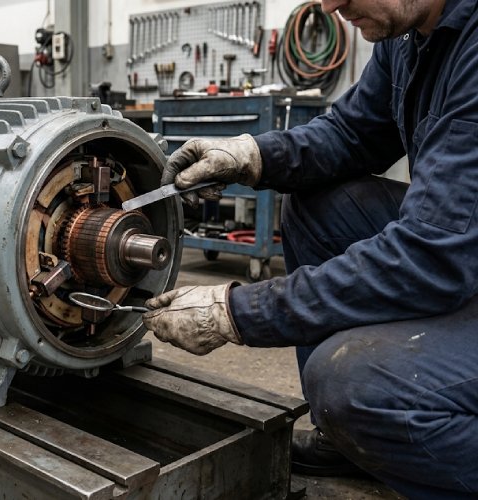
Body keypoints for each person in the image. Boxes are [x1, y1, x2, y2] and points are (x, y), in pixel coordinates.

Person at [141, 0, 478, 497]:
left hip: (454, 254)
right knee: (317, 206)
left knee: (352, 385)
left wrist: (236, 311)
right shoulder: (409, 37)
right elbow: (351, 134)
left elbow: (432, 255)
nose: (330, 5)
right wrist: (250, 155)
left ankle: (371, 421)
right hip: (461, 250)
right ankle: (349, 440)